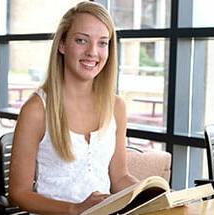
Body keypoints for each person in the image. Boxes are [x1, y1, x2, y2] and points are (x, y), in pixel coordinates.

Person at [9, 1, 138, 214]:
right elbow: (18, 192)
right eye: (81, 40)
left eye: (103, 43)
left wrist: (154, 194)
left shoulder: (116, 106)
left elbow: (119, 177)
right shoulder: (36, 110)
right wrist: (75, 209)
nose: (92, 52)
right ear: (62, 44)